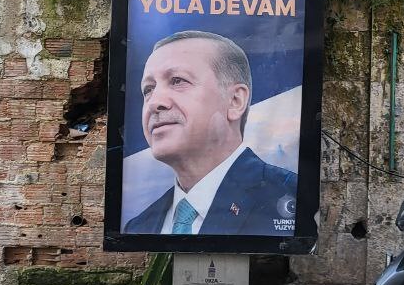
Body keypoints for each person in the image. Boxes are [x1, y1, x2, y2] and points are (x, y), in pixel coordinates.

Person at [123, 30, 297, 236]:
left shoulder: (291, 196)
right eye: (148, 89)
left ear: (235, 101)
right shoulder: (138, 227)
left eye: (177, 80)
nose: (154, 102)